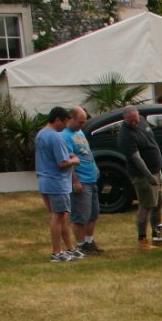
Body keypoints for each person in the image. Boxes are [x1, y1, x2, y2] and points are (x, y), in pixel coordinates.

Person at [35, 106, 82, 263]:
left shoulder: (41, 134)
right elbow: (62, 162)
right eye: (64, 122)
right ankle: (57, 252)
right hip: (56, 181)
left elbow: (51, 156)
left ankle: (69, 248)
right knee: (58, 217)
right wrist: (74, 160)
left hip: (45, 180)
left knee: (61, 216)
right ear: (57, 120)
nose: (65, 126)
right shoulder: (55, 136)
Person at [117, 105, 162, 248]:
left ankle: (158, 238)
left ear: (138, 115)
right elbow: (137, 159)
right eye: (130, 121)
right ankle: (142, 239)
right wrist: (149, 176)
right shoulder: (125, 135)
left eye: (135, 119)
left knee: (158, 205)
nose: (134, 123)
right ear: (124, 119)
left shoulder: (142, 121)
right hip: (143, 176)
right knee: (146, 206)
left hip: (157, 171)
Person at [63, 106, 103, 255]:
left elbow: (86, 152)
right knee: (80, 215)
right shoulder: (65, 136)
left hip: (91, 178)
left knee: (93, 213)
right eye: (80, 122)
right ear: (71, 118)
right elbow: (68, 160)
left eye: (83, 122)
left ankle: (89, 241)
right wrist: (75, 181)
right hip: (81, 180)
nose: (82, 125)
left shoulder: (79, 131)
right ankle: (80, 245)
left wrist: (95, 167)